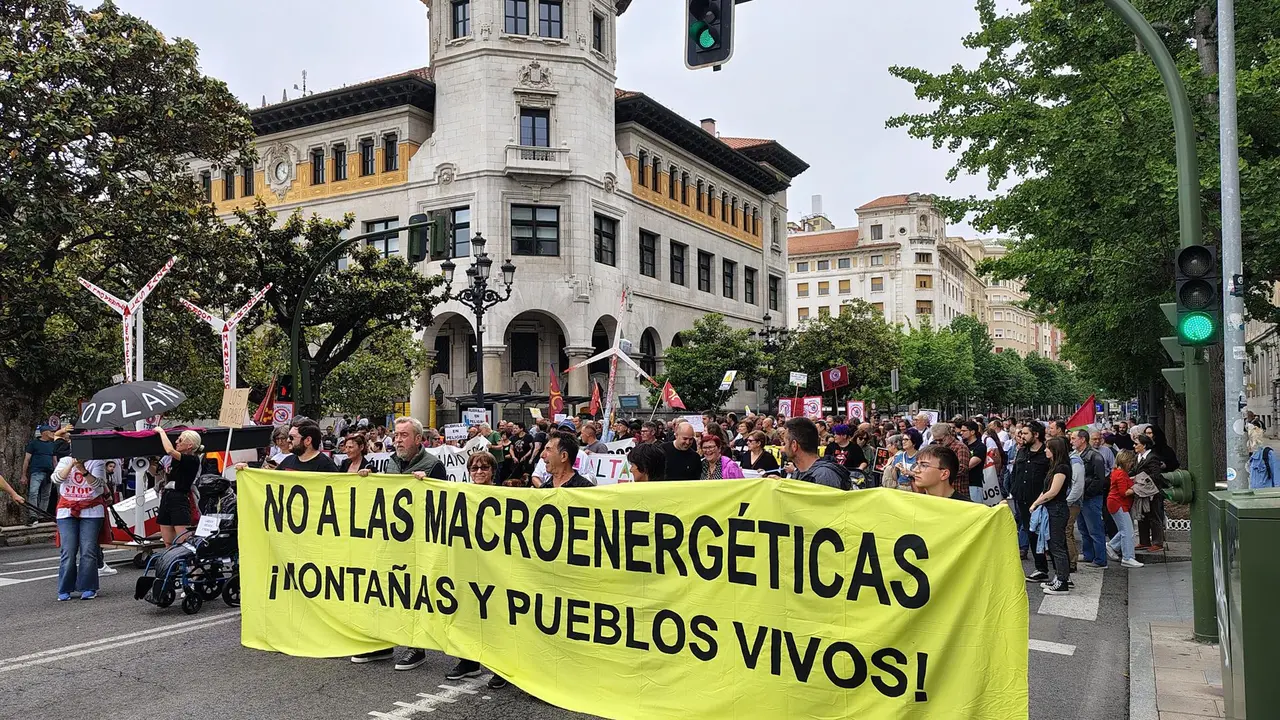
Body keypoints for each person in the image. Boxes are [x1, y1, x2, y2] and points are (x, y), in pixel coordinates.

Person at [353, 417, 445, 673]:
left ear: (418, 439)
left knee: (413, 594)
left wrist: (427, 485)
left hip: (418, 543)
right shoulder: (389, 463)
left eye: (404, 435)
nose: (398, 440)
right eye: (396, 436)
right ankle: (383, 642)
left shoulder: (433, 466)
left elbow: (444, 504)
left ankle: (416, 647)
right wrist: (366, 480)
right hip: (391, 540)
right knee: (385, 591)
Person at [443, 451, 510, 688]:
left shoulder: (505, 496)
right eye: (474, 469)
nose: (479, 473)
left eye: (484, 468)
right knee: (467, 614)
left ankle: (503, 668)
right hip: (468, 565)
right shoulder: (462, 494)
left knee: (498, 619)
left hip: (496, 569)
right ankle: (468, 661)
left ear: (493, 471)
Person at [51, 455, 108, 600]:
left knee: (88, 549)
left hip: (91, 509)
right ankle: (65, 588)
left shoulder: (97, 462)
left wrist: (82, 469)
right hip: (67, 509)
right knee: (68, 550)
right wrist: (71, 465)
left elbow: (98, 486)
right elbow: (56, 479)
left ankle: (89, 586)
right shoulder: (65, 460)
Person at [1031, 436, 1072, 595]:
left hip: (1057, 509)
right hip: (1052, 509)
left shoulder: (1061, 468)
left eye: (1048, 448)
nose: (1045, 450)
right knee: (1055, 544)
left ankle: (1063, 581)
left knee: (1057, 546)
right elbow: (1047, 489)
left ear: (1055, 450)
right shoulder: (1054, 466)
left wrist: (1036, 503)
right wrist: (1037, 501)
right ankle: (1061, 576)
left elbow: (1053, 492)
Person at [1010, 422, 1049, 573]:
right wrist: (1014, 489)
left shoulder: (1046, 453)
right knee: (1030, 533)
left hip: (1040, 501)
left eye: (1026, 434)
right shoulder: (1022, 451)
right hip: (1022, 499)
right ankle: (1041, 568)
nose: (1022, 436)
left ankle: (1061, 571)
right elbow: (1015, 472)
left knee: (1046, 535)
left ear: (1036, 435)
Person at [155, 428, 203, 548]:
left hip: (179, 497)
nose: (177, 441)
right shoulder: (177, 459)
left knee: (183, 541)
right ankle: (169, 563)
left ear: (189, 445)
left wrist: (161, 432)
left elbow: (169, 450)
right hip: (167, 495)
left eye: (180, 440)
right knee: (168, 542)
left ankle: (189, 566)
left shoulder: (192, 459)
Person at [1072, 430, 1110, 569]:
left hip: (1090, 497)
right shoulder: (1079, 455)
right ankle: (1089, 554)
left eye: (1074, 438)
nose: (1072, 441)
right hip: (1082, 496)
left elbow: (1099, 479)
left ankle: (1100, 559)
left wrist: (1087, 492)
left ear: (1082, 439)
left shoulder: (1095, 456)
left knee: (1094, 528)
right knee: (1083, 528)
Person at [783, 417, 853, 490]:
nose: (783, 448)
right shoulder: (800, 472)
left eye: (785, 443)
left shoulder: (824, 476)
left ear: (794, 445)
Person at [1105, 450, 1143, 568]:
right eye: (1131, 461)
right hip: (1119, 503)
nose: (1132, 464)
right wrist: (1137, 488)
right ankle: (1128, 557)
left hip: (1115, 503)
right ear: (1126, 461)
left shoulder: (1117, 472)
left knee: (1124, 530)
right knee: (1128, 531)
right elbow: (1123, 492)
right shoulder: (1121, 474)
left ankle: (1111, 546)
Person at [1132, 433, 1166, 552]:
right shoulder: (1138, 457)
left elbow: (1156, 475)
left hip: (1153, 492)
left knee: (1154, 516)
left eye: (1137, 444)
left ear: (1144, 445)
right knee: (1142, 516)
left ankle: (1158, 542)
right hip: (1142, 493)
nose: (1134, 446)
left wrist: (1139, 479)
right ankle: (1144, 541)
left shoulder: (1152, 457)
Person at [22, 424, 60, 524]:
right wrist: (24, 475)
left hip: (49, 473)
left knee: (45, 495)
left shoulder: (52, 445)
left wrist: (56, 474)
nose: (53, 433)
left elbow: (55, 461)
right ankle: (33, 515)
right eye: (51, 431)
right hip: (36, 471)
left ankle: (42, 514)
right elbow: (27, 459)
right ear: (44, 432)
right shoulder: (34, 444)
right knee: (33, 493)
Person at [930, 423, 971, 498]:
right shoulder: (938, 448)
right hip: (941, 492)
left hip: (958, 491)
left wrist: (940, 473)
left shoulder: (960, 447)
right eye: (936, 440)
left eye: (940, 440)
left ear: (948, 435)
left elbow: (962, 469)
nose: (938, 442)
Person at [960, 420, 987, 503]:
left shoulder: (980, 447)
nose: (961, 433)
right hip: (962, 484)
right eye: (961, 430)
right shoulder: (963, 445)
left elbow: (968, 465)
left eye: (964, 431)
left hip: (974, 485)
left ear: (972, 432)